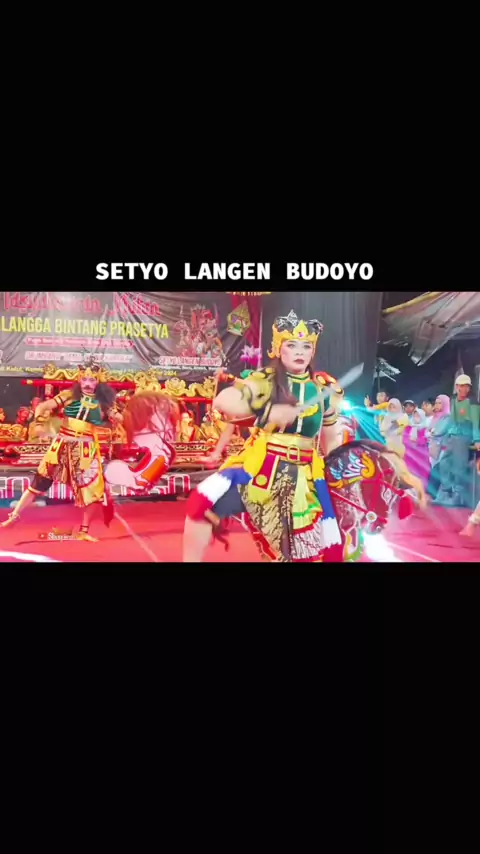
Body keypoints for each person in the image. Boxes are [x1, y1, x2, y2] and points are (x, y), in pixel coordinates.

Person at [183, 310, 346, 563]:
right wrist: (268, 412)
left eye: (306, 346)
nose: (300, 352)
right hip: (261, 469)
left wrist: (336, 477)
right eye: (292, 345)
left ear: (312, 351)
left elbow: (331, 441)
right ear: (279, 349)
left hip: (305, 475)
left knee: (308, 549)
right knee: (202, 503)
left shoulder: (325, 390)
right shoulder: (265, 381)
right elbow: (223, 401)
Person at [0, 355, 121, 540]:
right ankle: (14, 516)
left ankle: (83, 531)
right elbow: (43, 407)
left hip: (86, 448)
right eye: (84, 379)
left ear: (99, 381)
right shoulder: (69, 395)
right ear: (79, 379)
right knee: (40, 481)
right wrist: (39, 423)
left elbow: (120, 418)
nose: (87, 384)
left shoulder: (104, 402)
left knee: (94, 490)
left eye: (92, 380)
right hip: (62, 445)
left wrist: (121, 417)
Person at [435, 375, 480, 507]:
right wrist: (441, 432)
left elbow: (475, 423)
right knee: (443, 462)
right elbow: (451, 420)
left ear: (469, 388)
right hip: (452, 436)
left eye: (466, 386)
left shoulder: (472, 403)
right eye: (461, 386)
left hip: (464, 436)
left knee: (459, 467)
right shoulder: (453, 399)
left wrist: (477, 439)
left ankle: (457, 496)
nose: (463, 389)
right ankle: (446, 490)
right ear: (457, 387)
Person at [426, 395, 451, 498]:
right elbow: (428, 431)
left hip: (443, 448)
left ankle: (432, 495)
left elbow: (438, 431)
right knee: (435, 469)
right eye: (436, 403)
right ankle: (434, 495)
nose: (437, 405)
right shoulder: (435, 417)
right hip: (433, 447)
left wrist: (431, 432)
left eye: (440, 403)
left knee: (437, 471)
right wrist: (431, 432)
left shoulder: (448, 417)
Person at [402, 400, 431, 490]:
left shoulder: (425, 429)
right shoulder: (408, 428)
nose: (416, 417)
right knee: (410, 473)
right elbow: (404, 439)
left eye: (418, 415)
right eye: (415, 415)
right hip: (410, 456)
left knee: (422, 474)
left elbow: (425, 440)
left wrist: (416, 441)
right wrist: (412, 441)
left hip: (421, 455)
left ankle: (421, 491)